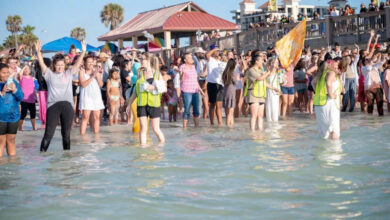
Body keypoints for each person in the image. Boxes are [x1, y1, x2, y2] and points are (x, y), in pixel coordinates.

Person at [35, 40, 86, 152]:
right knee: (48, 134)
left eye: (62, 65)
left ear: (65, 65)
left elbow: (77, 64)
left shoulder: (68, 73)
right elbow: (42, 63)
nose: (60, 67)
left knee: (66, 134)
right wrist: (38, 52)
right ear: (54, 65)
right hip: (53, 106)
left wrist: (83, 52)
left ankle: (66, 159)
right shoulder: (49, 74)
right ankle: (42, 155)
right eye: (58, 65)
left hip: (67, 106)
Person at [135, 55, 166, 145]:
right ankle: (143, 150)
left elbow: (164, 88)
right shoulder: (140, 73)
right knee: (143, 128)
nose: (140, 60)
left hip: (154, 104)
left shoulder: (157, 73)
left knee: (156, 129)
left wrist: (152, 87)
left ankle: (161, 148)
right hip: (142, 104)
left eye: (142, 59)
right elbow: (136, 90)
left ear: (148, 60)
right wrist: (129, 103)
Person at [313, 60, 342, 140]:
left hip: (319, 104)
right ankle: (335, 150)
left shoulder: (321, 74)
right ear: (331, 66)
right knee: (334, 130)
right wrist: (331, 94)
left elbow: (313, 83)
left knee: (324, 132)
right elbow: (329, 83)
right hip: (329, 103)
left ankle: (324, 150)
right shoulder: (331, 73)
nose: (337, 68)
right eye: (336, 66)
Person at [0, 63, 24, 157]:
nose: (6, 74)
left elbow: (21, 97)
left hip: (13, 117)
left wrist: (15, 90)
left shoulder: (14, 83)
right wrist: (2, 92)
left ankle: (12, 166)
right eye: (3, 73)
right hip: (1, 118)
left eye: (7, 72)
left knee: (11, 140)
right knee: (1, 141)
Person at [244, 52, 270, 131]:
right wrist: (268, 72)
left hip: (261, 95)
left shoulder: (260, 70)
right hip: (253, 95)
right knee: (254, 115)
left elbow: (264, 81)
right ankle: (252, 132)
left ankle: (260, 131)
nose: (262, 62)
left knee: (260, 116)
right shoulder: (251, 70)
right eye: (261, 60)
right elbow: (260, 78)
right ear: (256, 61)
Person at [79, 56, 105, 134]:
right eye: (88, 62)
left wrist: (97, 75)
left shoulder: (96, 71)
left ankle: (96, 136)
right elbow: (83, 84)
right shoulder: (82, 72)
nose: (90, 64)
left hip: (96, 97)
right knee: (85, 117)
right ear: (84, 63)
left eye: (92, 62)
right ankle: (82, 137)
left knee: (97, 117)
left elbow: (101, 84)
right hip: (86, 97)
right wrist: (92, 76)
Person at [180, 53, 204, 128]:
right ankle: (184, 128)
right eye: (189, 58)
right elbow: (181, 80)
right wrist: (183, 73)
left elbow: (195, 81)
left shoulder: (193, 67)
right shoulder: (182, 67)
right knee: (187, 109)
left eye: (191, 57)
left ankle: (197, 127)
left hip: (195, 91)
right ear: (185, 60)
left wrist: (201, 91)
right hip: (186, 91)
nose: (191, 59)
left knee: (196, 110)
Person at [206, 45, 225, 125]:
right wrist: (214, 49)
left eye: (218, 51)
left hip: (220, 84)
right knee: (212, 104)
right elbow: (207, 55)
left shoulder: (220, 62)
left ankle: (220, 123)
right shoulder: (209, 59)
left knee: (219, 104)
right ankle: (212, 123)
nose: (217, 52)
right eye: (215, 51)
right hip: (211, 84)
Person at [17, 65, 38, 131]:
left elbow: (33, 88)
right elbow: (20, 73)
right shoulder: (21, 77)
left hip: (31, 98)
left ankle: (34, 127)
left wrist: (35, 96)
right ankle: (20, 127)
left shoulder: (32, 78)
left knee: (33, 113)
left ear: (30, 70)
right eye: (25, 69)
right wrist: (24, 67)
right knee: (23, 113)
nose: (26, 70)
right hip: (24, 99)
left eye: (27, 69)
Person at [341, 46, 360, 112]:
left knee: (353, 94)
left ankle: (351, 109)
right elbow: (341, 76)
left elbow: (357, 57)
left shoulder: (353, 64)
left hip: (353, 80)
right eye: (347, 59)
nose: (348, 60)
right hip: (346, 80)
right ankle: (344, 107)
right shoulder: (343, 66)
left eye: (349, 59)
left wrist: (358, 49)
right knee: (346, 95)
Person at [266, 57, 283, 122]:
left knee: (276, 110)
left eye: (277, 62)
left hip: (276, 93)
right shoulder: (267, 72)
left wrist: (284, 80)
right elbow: (265, 84)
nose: (277, 63)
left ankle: (275, 128)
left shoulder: (279, 72)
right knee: (270, 110)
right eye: (275, 62)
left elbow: (281, 83)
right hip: (270, 92)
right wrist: (274, 88)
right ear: (271, 63)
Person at [35, 58, 51, 126]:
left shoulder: (46, 71)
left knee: (45, 105)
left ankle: (45, 119)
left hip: (46, 90)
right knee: (43, 106)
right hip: (43, 90)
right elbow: (41, 80)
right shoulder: (39, 71)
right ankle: (44, 119)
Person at [222, 59, 237, 127]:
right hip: (231, 91)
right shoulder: (232, 73)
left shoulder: (225, 72)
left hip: (225, 91)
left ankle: (230, 126)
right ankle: (229, 127)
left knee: (227, 112)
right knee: (231, 113)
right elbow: (235, 82)